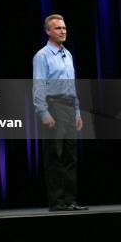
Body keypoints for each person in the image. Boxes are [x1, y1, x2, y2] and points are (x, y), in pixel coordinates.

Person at [32, 14, 88, 212]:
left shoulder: (68, 54)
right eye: (58, 28)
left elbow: (71, 86)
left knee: (70, 156)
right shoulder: (42, 56)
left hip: (68, 106)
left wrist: (77, 111)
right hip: (53, 106)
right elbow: (39, 86)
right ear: (48, 31)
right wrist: (43, 112)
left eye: (64, 28)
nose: (63, 31)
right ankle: (57, 202)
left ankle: (70, 200)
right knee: (55, 155)